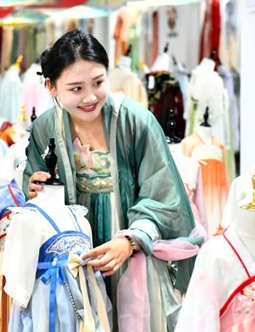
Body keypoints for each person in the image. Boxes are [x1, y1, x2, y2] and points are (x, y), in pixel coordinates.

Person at [25, 29, 195, 289]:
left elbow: (163, 195)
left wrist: (130, 240)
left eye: (98, 82)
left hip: (131, 255)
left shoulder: (136, 122)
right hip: (70, 261)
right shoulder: (46, 128)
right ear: (51, 86)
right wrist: (33, 187)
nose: (90, 97)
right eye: (76, 88)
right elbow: (32, 185)